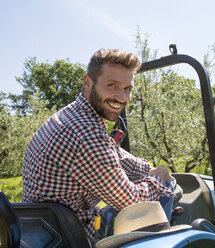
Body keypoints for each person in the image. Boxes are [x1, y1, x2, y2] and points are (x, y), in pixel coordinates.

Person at [22, 48, 175, 243]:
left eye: (128, 88)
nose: (121, 97)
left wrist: (149, 169)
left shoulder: (73, 116)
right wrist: (161, 179)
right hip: (75, 236)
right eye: (112, 85)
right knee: (161, 193)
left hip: (48, 231)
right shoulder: (84, 134)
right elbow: (132, 201)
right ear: (88, 83)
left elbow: (115, 154)